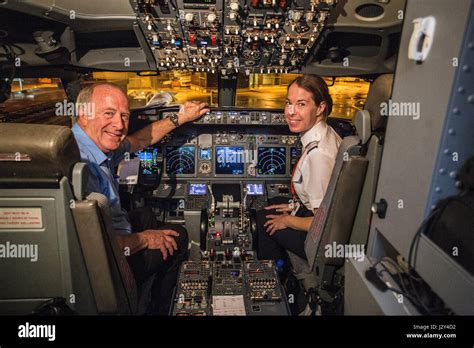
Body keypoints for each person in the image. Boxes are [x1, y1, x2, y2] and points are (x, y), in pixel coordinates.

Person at [71, 83, 209, 314]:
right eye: (109, 114)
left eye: (124, 116)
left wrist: (180, 118)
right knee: (178, 237)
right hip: (105, 264)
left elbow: (141, 141)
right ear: (84, 115)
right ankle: (158, 307)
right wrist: (144, 239)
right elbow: (91, 245)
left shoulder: (95, 144)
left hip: (111, 236)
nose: (119, 124)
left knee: (145, 214)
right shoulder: (81, 167)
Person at [257, 74, 342, 262]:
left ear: (320, 108)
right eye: (289, 103)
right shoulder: (326, 132)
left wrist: (288, 220)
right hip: (319, 215)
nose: (290, 112)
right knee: (271, 205)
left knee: (263, 220)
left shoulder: (318, 155)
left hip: (320, 241)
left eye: (301, 104)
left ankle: (278, 279)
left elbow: (324, 222)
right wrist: (294, 206)